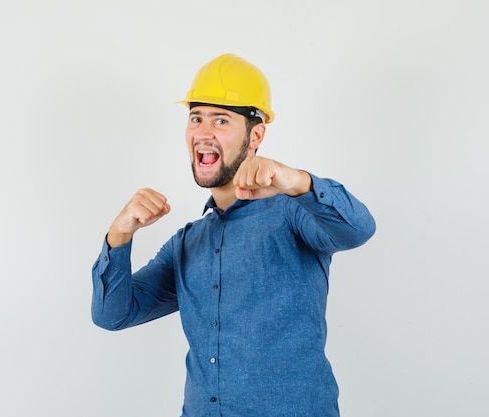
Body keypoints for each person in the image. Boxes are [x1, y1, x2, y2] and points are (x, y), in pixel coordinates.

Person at [91, 53, 376, 417]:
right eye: (196, 118)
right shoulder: (186, 243)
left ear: (256, 135)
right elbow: (112, 314)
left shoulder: (295, 213)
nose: (203, 132)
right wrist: (119, 234)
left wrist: (297, 181)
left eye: (221, 120)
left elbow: (359, 229)